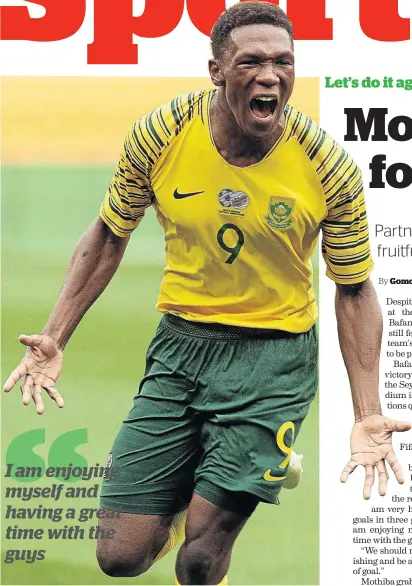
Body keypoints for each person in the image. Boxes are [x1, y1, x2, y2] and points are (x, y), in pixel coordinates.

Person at [3, 2, 411, 585]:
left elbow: (353, 289)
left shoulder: (327, 167)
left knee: (199, 558)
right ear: (216, 69)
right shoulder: (160, 134)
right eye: (252, 62)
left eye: (283, 63)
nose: (270, 76)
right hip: (181, 349)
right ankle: (209, 475)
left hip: (274, 362)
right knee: (119, 557)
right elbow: (108, 234)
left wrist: (367, 412)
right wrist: (54, 336)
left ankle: (239, 468)